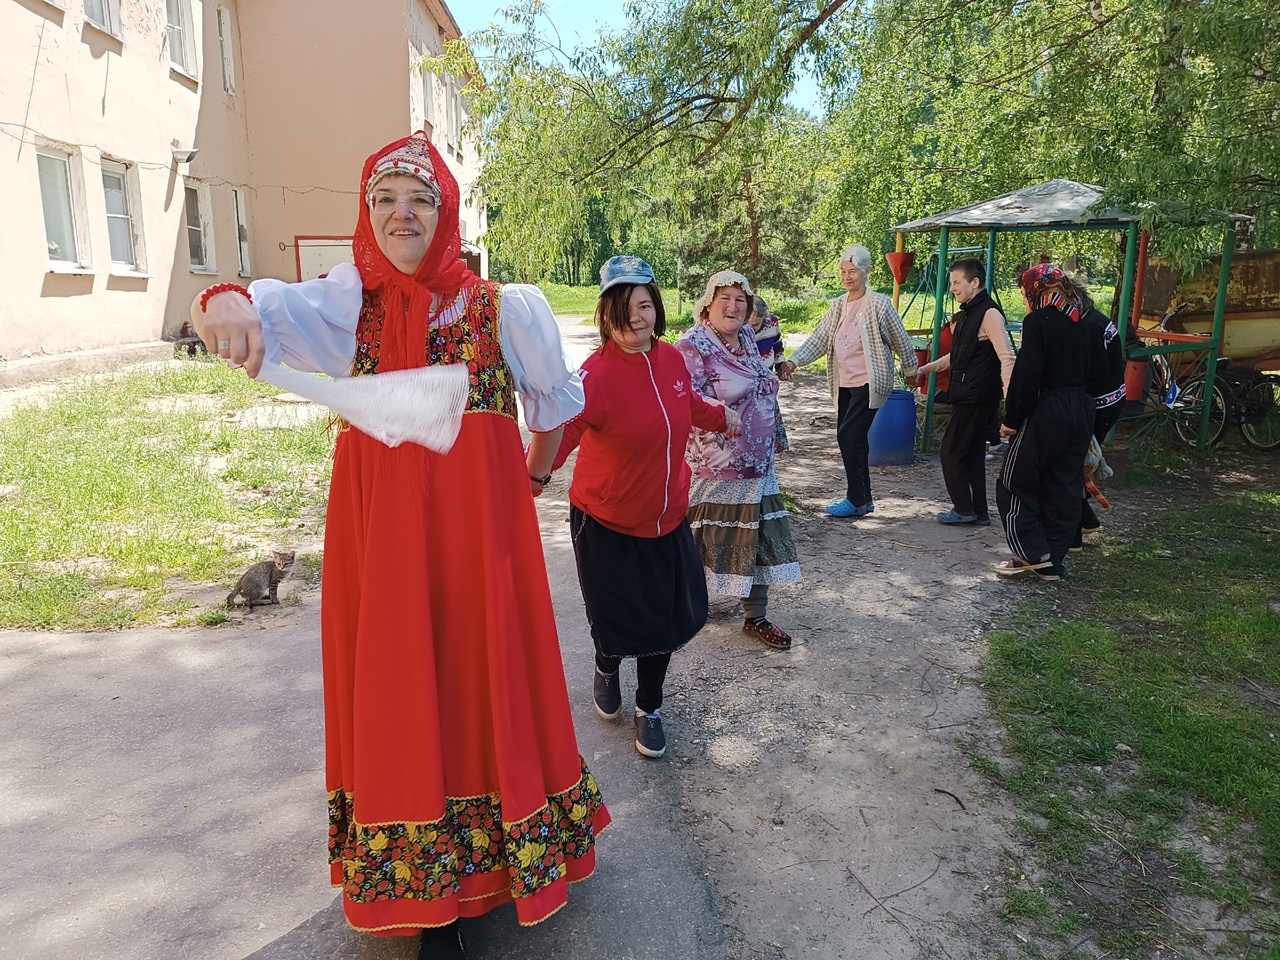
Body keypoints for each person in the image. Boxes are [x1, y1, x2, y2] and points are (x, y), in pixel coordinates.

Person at [190, 132, 609, 959]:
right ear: (366, 212)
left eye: (418, 198)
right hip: (382, 540)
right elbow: (244, 307)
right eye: (383, 199)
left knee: (481, 680)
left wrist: (527, 480)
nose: (400, 213)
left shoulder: (501, 309)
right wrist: (221, 297)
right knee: (400, 687)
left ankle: (489, 875)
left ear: (446, 211)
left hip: (479, 540)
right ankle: (426, 897)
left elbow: (555, 410)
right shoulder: (348, 305)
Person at [552, 256, 742, 759]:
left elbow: (686, 405)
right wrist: (529, 473)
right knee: (614, 617)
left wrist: (720, 417)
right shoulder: (593, 376)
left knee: (663, 620)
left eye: (644, 305)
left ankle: (649, 707)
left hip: (667, 519)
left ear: (656, 307)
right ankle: (607, 663)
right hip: (606, 522)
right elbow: (563, 432)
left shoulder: (671, 359)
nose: (636, 318)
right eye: (624, 308)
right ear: (606, 314)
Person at [679, 271, 802, 649]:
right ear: (708, 304)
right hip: (717, 464)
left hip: (758, 463)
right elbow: (685, 399)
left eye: (740, 299)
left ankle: (756, 617)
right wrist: (719, 410)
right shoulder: (693, 345)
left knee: (758, 537)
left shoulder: (747, 336)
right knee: (700, 540)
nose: (733, 307)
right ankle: (682, 608)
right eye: (725, 299)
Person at [777, 245, 919, 517]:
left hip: (870, 382)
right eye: (843, 272)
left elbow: (901, 340)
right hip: (844, 383)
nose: (847, 277)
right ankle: (864, 499)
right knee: (856, 439)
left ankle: (856, 500)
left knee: (848, 436)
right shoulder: (839, 305)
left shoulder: (879, 304)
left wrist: (911, 369)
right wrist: (794, 361)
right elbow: (820, 338)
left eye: (852, 271)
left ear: (866, 272)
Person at [995, 263, 1095, 582]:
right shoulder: (1081, 322)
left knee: (1014, 481)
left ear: (1034, 290)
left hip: (1048, 410)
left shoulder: (1038, 321)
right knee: (1063, 484)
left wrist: (1012, 417)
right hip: (1081, 409)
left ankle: (1033, 554)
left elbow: (1028, 372)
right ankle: (1051, 558)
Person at [912, 258, 1016, 526]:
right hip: (968, 394)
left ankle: (964, 508)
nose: (952, 288)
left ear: (975, 282)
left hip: (976, 397)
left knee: (950, 451)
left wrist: (1011, 402)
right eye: (951, 283)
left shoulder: (989, 314)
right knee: (971, 455)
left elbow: (1007, 358)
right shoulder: (969, 313)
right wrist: (925, 369)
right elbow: (956, 356)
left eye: (957, 282)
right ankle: (979, 512)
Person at [1071, 274, 1125, 542]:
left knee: (1073, 463)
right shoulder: (1094, 320)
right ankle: (1085, 521)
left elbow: (1093, 371)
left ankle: (1077, 527)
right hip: (1108, 400)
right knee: (1076, 463)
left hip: (1100, 404)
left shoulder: (1089, 327)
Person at [749, 293, 790, 453]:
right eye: (749, 324)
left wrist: (781, 367)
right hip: (748, 383)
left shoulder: (772, 323)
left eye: (756, 324)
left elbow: (777, 346)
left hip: (766, 383)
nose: (752, 329)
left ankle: (767, 454)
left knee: (767, 427)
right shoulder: (738, 328)